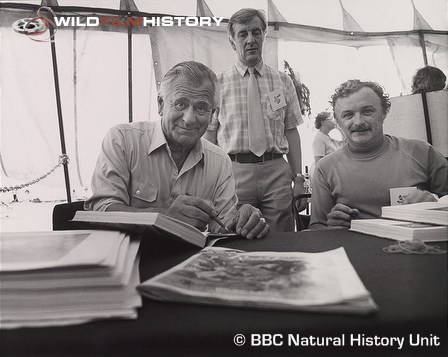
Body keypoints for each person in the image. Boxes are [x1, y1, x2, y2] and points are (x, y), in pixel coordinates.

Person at [85, 61, 269, 239]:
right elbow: (101, 209)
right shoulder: (122, 140)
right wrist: (163, 217)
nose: (189, 119)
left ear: (213, 115)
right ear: (160, 104)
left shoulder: (220, 161)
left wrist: (242, 220)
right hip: (127, 259)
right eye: (181, 104)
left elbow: (222, 225)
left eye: (202, 108)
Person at [204, 8, 306, 232]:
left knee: (282, 239)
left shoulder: (283, 81)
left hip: (277, 172)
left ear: (264, 36)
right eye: (242, 34)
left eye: (256, 32)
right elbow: (209, 137)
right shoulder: (217, 84)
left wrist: (298, 179)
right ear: (232, 42)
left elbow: (291, 132)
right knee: (236, 235)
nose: (250, 39)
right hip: (233, 172)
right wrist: (210, 180)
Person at [309, 79, 448, 229]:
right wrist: (331, 229)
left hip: (417, 247)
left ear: (384, 113)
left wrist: (436, 204)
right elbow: (317, 226)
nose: (359, 122)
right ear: (338, 122)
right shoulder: (325, 168)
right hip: (353, 250)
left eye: (367, 111)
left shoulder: (421, 152)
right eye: (348, 115)